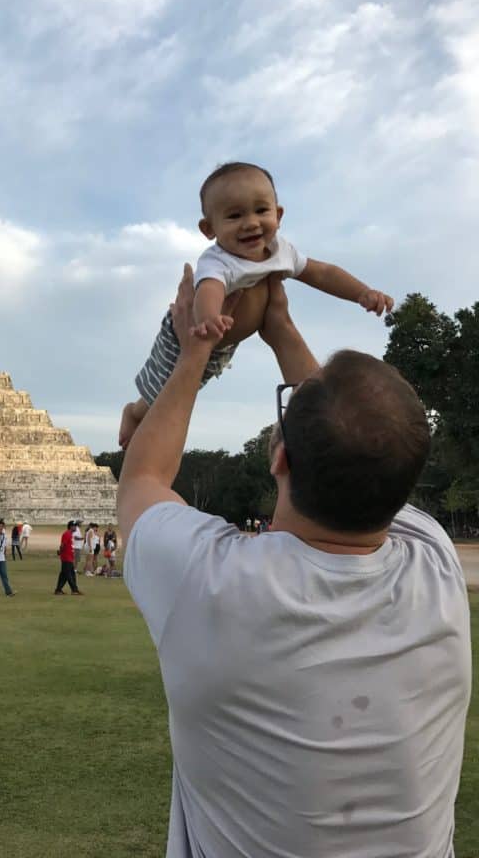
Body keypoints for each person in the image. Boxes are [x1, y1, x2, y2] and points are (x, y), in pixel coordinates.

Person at [117, 267, 471, 857]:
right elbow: (362, 442)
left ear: (279, 458)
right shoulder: (435, 563)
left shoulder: (209, 581)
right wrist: (280, 329)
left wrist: (194, 351)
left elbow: (142, 480)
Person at [119, 162, 394, 447]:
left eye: (261, 210)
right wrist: (209, 318)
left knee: (187, 387)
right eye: (234, 215)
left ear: (279, 214)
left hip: (223, 343)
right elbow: (208, 289)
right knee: (163, 391)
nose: (250, 223)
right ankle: (134, 412)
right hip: (191, 333)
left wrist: (362, 292)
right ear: (208, 228)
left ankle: (140, 412)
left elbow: (322, 273)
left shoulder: (280, 250)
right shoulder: (219, 260)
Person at [54, 520, 82, 596]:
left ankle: (58, 590)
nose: (76, 527)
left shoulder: (70, 534)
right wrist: (60, 551)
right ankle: (74, 590)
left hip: (69, 557)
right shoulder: (67, 534)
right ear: (71, 526)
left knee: (64, 574)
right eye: (74, 526)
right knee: (69, 575)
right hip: (66, 558)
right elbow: (63, 545)